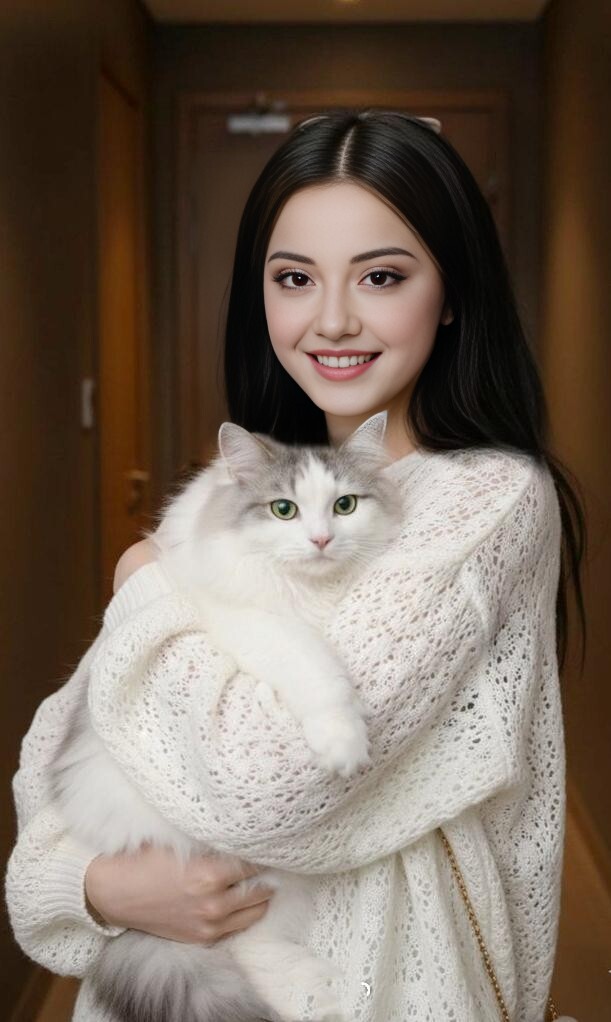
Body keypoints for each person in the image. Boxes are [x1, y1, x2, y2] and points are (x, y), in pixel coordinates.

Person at [5, 109, 586, 1022]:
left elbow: (261, 783)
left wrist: (142, 580)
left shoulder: (483, 499)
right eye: (294, 278)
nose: (332, 319)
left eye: (381, 276)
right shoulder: (254, 492)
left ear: (451, 292)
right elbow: (56, 753)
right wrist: (93, 887)